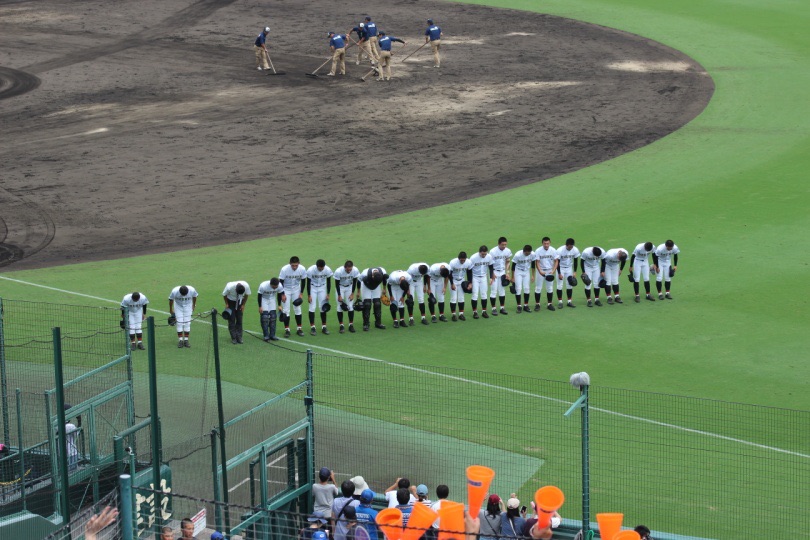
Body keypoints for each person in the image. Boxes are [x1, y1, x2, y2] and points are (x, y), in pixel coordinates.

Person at [279, 256, 308, 337]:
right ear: (290, 264)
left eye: (296, 265)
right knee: (286, 310)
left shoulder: (302, 269)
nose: (294, 267)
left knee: (297, 308)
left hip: (296, 289)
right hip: (286, 289)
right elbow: (281, 282)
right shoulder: (284, 269)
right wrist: (282, 294)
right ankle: (287, 329)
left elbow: (303, 281)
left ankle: (299, 328)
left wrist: (301, 293)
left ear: (299, 263)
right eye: (293, 265)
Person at [307, 259, 334, 335]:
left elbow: (329, 282)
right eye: (320, 268)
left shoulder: (327, 270)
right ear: (317, 266)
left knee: (323, 307)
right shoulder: (310, 270)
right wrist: (309, 295)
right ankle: (312, 327)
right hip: (313, 288)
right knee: (312, 307)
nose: (321, 269)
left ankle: (324, 326)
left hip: (322, 288)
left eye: (322, 268)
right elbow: (308, 283)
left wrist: (328, 293)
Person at [334, 260, 360, 333]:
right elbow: (336, 284)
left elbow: (355, 282)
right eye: (348, 269)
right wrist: (339, 295)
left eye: (350, 269)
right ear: (345, 267)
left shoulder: (355, 270)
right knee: (340, 306)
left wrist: (352, 293)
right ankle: (341, 325)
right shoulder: (338, 271)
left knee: (350, 306)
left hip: (349, 287)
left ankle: (351, 325)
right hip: (340, 287)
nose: (349, 271)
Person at [469, 245, 495, 319]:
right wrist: (470, 282)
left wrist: (490, 278)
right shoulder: (473, 257)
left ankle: (484, 311)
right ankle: (475, 312)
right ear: (479, 252)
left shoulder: (489, 256)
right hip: (475, 277)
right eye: (482, 254)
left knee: (484, 294)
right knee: (475, 295)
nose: (484, 255)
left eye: (485, 254)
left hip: (484, 277)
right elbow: (469, 270)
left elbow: (491, 267)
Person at [534, 237, 559, 311]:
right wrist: (540, 271)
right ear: (542, 243)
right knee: (538, 288)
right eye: (545, 243)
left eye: (547, 243)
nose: (546, 245)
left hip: (549, 271)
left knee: (550, 288)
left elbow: (556, 261)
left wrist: (553, 270)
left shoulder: (553, 250)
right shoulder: (538, 250)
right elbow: (537, 262)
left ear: (550, 243)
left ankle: (549, 304)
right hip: (540, 271)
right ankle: (537, 304)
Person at [358, 266, 387, 330]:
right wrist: (358, 292)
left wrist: (384, 288)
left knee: (377, 304)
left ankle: (378, 323)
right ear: (372, 276)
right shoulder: (365, 273)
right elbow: (358, 281)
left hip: (376, 287)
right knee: (367, 304)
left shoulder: (382, 271)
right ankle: (366, 324)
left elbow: (384, 279)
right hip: (366, 286)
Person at [489, 236, 513, 315]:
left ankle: (502, 308)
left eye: (505, 244)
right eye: (503, 245)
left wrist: (508, 273)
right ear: (499, 244)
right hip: (495, 272)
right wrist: (492, 274)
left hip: (502, 272)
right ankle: (493, 309)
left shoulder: (507, 251)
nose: (504, 246)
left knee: (502, 291)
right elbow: (490, 264)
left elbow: (508, 261)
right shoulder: (493, 251)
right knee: (493, 291)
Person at [556, 238, 581, 308]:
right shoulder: (560, 250)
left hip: (569, 268)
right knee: (559, 285)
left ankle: (569, 301)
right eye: (569, 247)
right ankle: (560, 302)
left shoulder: (575, 250)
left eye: (572, 246)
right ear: (566, 245)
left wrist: (575, 271)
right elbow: (557, 262)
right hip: (560, 268)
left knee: (570, 284)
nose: (571, 248)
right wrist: (559, 273)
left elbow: (576, 261)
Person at [258, 277, 284, 341]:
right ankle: (266, 335)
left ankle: (272, 335)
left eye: (276, 286)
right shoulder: (263, 286)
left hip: (272, 299)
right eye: (274, 286)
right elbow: (259, 296)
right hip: (264, 299)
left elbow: (279, 294)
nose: (275, 288)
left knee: (273, 317)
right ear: (270, 284)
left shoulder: (280, 286)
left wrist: (279, 305)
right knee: (264, 317)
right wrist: (260, 306)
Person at [449, 252, 473, 321]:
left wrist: (470, 283)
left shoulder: (468, 262)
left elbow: (469, 272)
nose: (462, 261)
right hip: (453, 280)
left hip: (462, 281)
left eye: (464, 260)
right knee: (453, 298)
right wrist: (451, 283)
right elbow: (449, 274)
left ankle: (461, 314)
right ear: (458, 258)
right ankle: (453, 315)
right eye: (461, 260)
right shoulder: (453, 262)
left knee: (461, 298)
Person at [511, 245, 535, 313]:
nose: (528, 254)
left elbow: (533, 265)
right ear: (523, 251)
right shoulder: (518, 255)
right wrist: (513, 277)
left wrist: (533, 275)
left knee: (527, 288)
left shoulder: (532, 254)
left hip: (526, 271)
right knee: (518, 288)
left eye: (529, 253)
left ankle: (526, 305)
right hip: (518, 271)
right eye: (526, 253)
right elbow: (513, 266)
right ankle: (519, 306)